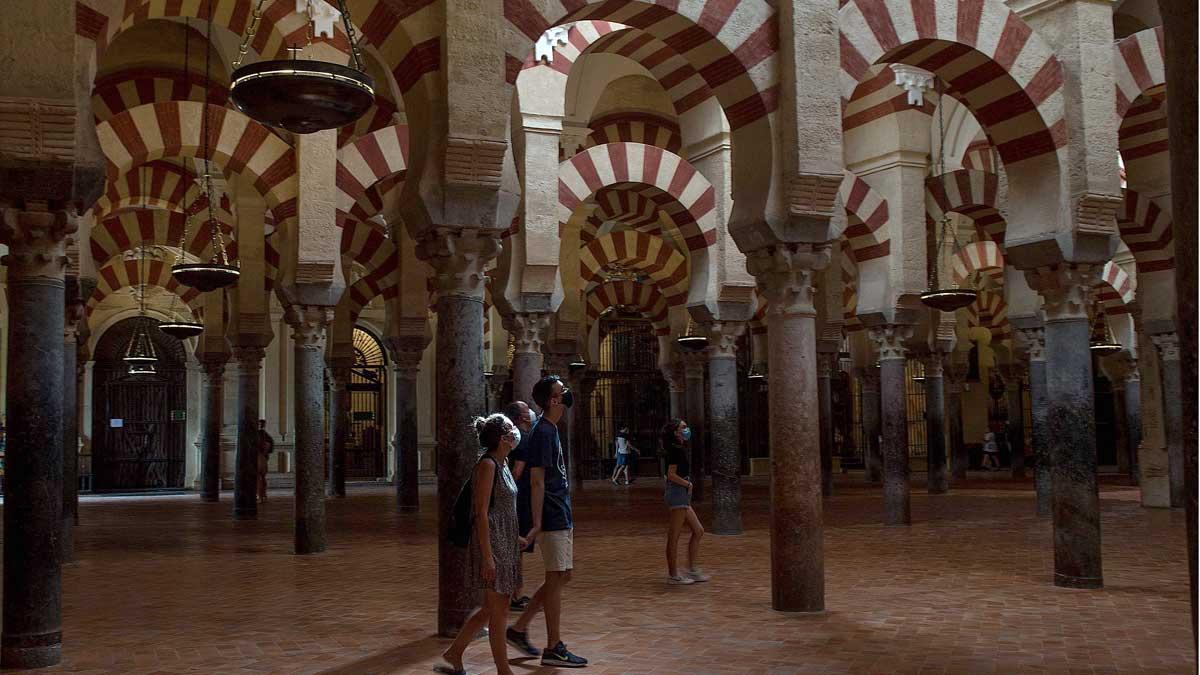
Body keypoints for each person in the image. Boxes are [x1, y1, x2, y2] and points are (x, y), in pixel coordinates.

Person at [506, 376, 588, 668]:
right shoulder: (542, 431)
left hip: (560, 510)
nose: (566, 394)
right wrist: (538, 521)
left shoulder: (551, 429)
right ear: (552, 400)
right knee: (556, 576)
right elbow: (536, 480)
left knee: (563, 576)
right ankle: (553, 646)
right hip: (552, 514)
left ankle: (518, 629)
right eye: (561, 392)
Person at [440, 414, 525, 675]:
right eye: (511, 428)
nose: (516, 432)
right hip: (492, 544)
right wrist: (488, 557)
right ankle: (503, 671)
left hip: (506, 542)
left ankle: (454, 653)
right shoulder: (487, 465)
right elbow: (480, 512)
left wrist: (515, 538)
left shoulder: (503, 462)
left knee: (493, 608)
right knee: (498, 611)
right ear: (502, 438)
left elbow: (504, 507)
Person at [662, 419, 709, 585]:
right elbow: (671, 474)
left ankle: (692, 569)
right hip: (677, 492)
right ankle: (673, 575)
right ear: (676, 432)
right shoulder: (675, 450)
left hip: (679, 491)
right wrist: (688, 484)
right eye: (683, 427)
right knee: (674, 536)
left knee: (698, 530)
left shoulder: (678, 448)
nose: (686, 429)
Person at [503, 400, 535, 613]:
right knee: (517, 547)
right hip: (519, 498)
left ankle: (514, 593)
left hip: (517, 497)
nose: (530, 413)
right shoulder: (521, 439)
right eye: (526, 411)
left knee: (516, 548)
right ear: (521, 417)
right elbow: (517, 471)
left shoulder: (512, 437)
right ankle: (515, 594)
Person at [256, 419, 274, 504]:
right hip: (263, 457)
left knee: (259, 477)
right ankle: (263, 495)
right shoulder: (266, 435)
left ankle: (260, 495)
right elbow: (270, 445)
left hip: (259, 457)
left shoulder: (258, 435)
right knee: (262, 477)